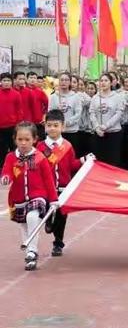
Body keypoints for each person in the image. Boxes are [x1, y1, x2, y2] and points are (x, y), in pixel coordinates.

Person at [1, 122, 58, 271]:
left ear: (34, 139)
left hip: (38, 196)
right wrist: (5, 178)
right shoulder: (10, 157)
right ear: (15, 140)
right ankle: (30, 256)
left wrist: (53, 200)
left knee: (32, 217)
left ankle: (32, 250)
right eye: (20, 139)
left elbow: (48, 180)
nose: (23, 143)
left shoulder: (40, 157)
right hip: (18, 198)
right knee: (24, 226)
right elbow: (7, 172)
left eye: (27, 139)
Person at [36, 110, 88, 256]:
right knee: (46, 210)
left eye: (56, 125)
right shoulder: (40, 147)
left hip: (63, 187)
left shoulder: (68, 146)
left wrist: (84, 160)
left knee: (61, 216)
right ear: (45, 126)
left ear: (62, 127)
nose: (52, 128)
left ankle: (58, 243)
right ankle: (48, 221)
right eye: (49, 125)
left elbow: (72, 165)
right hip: (46, 189)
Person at [89, 73, 124, 166]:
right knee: (99, 161)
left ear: (111, 83)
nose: (103, 83)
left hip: (113, 133)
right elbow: (92, 113)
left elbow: (119, 113)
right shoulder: (95, 98)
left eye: (106, 80)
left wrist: (106, 125)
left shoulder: (117, 97)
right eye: (101, 81)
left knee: (113, 161)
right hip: (99, 134)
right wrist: (96, 127)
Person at [48, 72, 82, 157]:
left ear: (70, 82)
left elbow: (78, 113)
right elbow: (50, 112)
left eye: (66, 80)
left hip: (71, 131)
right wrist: (56, 111)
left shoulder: (75, 96)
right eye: (62, 80)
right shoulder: (53, 96)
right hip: (57, 132)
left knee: (71, 156)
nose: (64, 82)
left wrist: (66, 123)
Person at [0, 73, 23, 170]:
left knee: (14, 148)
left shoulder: (16, 94)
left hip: (13, 127)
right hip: (0, 128)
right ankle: (3, 168)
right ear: (1, 82)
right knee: (2, 150)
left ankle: (17, 167)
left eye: (8, 80)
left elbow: (19, 110)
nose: (6, 83)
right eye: (4, 80)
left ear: (12, 82)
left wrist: (18, 124)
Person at [27, 71, 48, 140]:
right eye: (30, 77)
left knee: (40, 141)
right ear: (27, 79)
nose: (32, 79)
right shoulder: (23, 91)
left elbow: (47, 105)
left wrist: (44, 116)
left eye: (34, 78)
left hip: (39, 122)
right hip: (26, 122)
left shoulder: (40, 92)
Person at [78, 81, 96, 158]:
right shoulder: (81, 97)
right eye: (88, 88)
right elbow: (83, 103)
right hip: (83, 129)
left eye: (92, 88)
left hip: (93, 130)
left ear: (95, 90)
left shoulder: (97, 99)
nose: (90, 90)